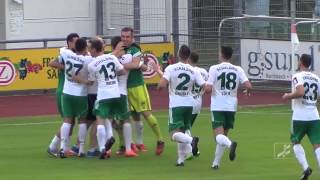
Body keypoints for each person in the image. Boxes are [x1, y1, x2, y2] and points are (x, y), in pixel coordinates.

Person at [73, 37, 137, 158]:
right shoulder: (112, 57)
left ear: (94, 49)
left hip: (103, 95)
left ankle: (103, 148)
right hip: (116, 92)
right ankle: (127, 148)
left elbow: (92, 81)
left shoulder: (92, 64)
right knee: (125, 119)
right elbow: (123, 71)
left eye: (90, 49)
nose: (89, 51)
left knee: (100, 120)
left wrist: (81, 80)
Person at [158, 45, 206, 166]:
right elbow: (204, 86)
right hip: (189, 104)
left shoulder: (171, 68)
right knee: (182, 131)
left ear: (179, 54)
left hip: (176, 104)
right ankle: (180, 160)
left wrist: (160, 86)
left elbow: (162, 85)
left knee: (173, 134)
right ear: (188, 56)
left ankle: (191, 141)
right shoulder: (194, 70)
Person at [205, 46, 252, 169]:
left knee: (218, 137)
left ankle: (231, 144)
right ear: (230, 56)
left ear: (221, 55)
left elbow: (208, 89)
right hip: (231, 106)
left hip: (218, 105)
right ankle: (216, 163)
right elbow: (248, 85)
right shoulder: (238, 69)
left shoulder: (214, 68)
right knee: (223, 136)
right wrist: (247, 91)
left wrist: (206, 89)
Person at [121, 27, 164, 155]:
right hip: (124, 88)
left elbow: (135, 64)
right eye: (123, 36)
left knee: (145, 113)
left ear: (132, 38)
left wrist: (118, 65)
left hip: (137, 86)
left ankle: (160, 139)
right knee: (134, 116)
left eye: (127, 37)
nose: (125, 39)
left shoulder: (135, 49)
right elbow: (136, 65)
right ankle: (139, 143)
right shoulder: (120, 49)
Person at [282, 54, 320, 180]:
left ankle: (306, 168)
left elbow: (300, 92)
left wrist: (287, 96)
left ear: (301, 62)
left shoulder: (297, 76)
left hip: (300, 116)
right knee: (317, 146)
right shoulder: (316, 78)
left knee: (295, 142)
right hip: (314, 116)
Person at [47, 33, 79, 157]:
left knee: (71, 121)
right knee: (68, 121)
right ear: (69, 43)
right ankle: (53, 146)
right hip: (64, 91)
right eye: (75, 41)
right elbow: (51, 63)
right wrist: (66, 67)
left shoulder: (75, 55)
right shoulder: (65, 53)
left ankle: (64, 147)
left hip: (69, 91)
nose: (77, 44)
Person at [58, 38, 91, 158]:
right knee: (82, 121)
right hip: (80, 94)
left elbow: (62, 50)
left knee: (67, 120)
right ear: (85, 48)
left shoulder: (67, 54)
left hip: (66, 93)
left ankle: (62, 148)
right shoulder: (87, 59)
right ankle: (81, 149)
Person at [185, 52, 208, 159]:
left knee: (184, 127)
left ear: (189, 59)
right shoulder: (203, 72)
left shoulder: (188, 70)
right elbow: (206, 86)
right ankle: (193, 149)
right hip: (198, 102)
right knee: (187, 126)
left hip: (188, 101)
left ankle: (191, 150)